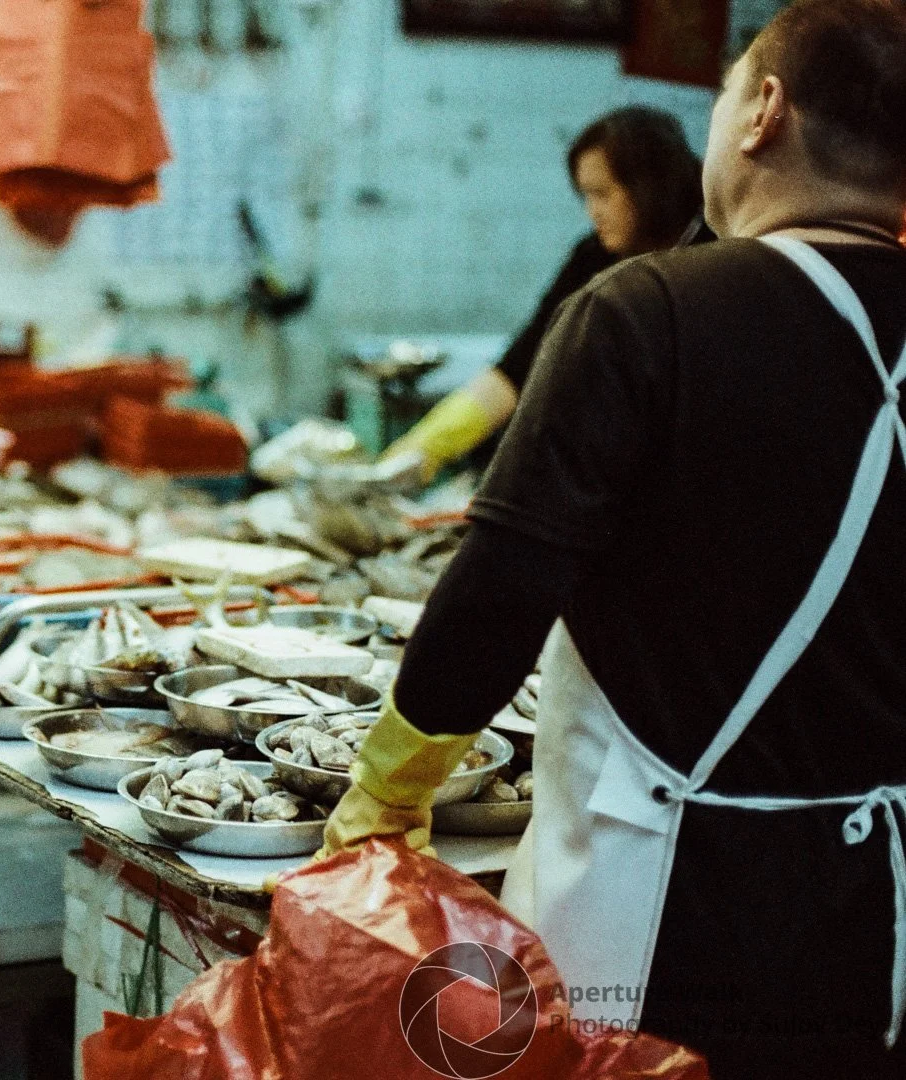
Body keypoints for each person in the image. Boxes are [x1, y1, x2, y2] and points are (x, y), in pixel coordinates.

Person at [319, 1, 906, 1075]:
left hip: (671, 916)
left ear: (762, 111)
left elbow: (500, 591)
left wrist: (385, 793)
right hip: (887, 924)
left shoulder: (646, 311)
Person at [378, 106, 709, 480]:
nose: (592, 211)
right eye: (585, 195)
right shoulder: (593, 257)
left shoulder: (714, 255)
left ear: (648, 186)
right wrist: (425, 446)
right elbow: (525, 362)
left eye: (602, 194)